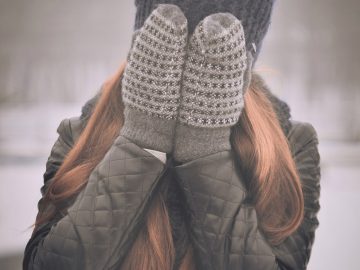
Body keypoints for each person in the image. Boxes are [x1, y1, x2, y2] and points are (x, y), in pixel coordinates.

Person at [23, 1, 321, 270]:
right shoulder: (81, 135)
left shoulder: (292, 147)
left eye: (213, 52)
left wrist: (206, 150)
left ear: (243, 62)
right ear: (143, 47)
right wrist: (141, 141)